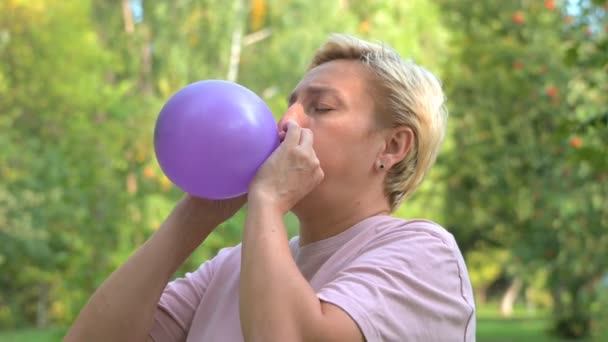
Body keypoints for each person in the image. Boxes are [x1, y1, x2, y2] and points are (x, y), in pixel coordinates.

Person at [65, 33, 476, 342]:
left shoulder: (424, 254)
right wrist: (195, 215)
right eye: (291, 103)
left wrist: (266, 201)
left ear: (391, 146)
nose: (286, 120)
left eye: (321, 107)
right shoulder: (230, 268)